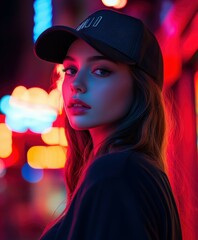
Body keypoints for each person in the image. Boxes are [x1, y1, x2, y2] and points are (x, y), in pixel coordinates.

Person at [34, 9, 182, 240]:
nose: (76, 84)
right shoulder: (133, 171)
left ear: (140, 89)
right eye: (70, 70)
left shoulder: (116, 173)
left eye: (101, 70)